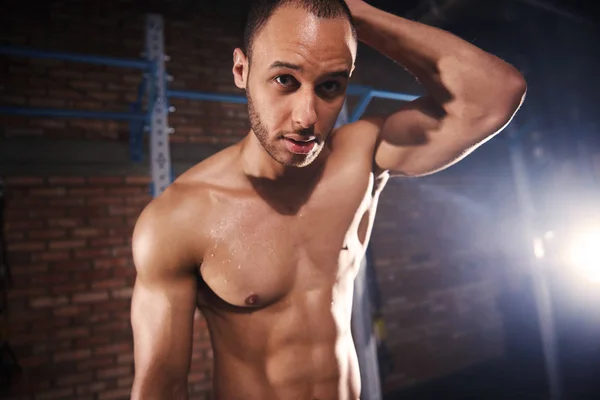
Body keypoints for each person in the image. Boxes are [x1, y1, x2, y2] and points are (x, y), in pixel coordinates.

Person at [130, 0, 526, 399]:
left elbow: (495, 95)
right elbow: (159, 388)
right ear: (241, 70)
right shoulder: (178, 218)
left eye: (330, 86)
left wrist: (355, 12)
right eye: (285, 80)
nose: (307, 117)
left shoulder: (361, 158)